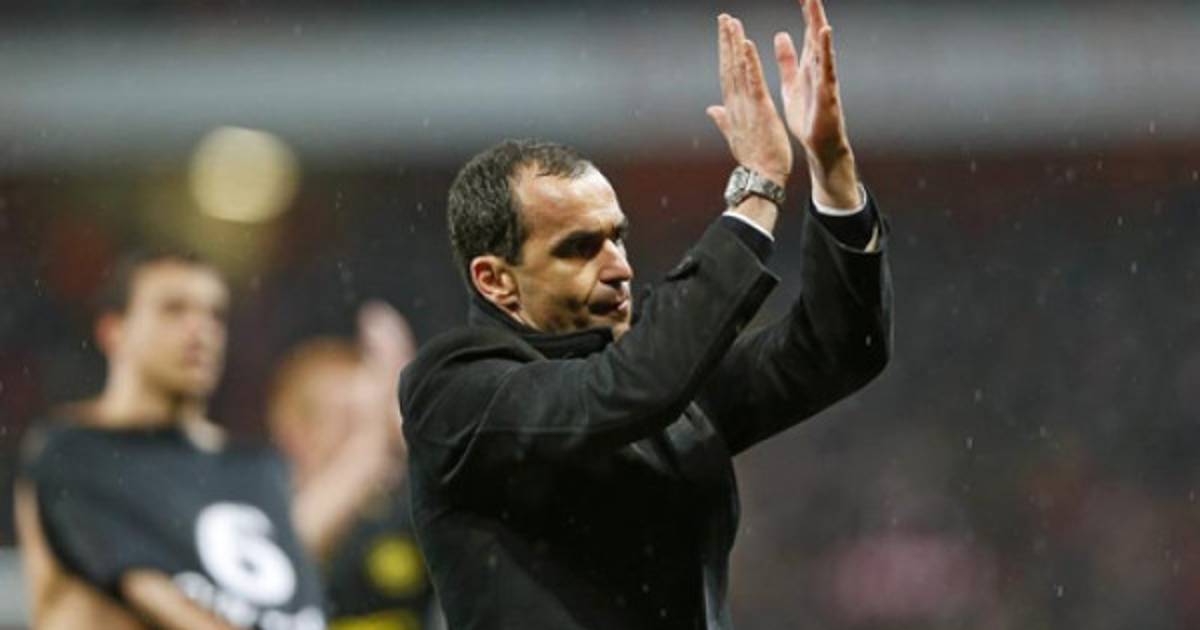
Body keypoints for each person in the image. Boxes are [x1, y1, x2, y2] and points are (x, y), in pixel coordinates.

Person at [399, 1, 892, 628]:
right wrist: (758, 189)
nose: (619, 267)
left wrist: (832, 170)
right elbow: (624, 392)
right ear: (495, 280)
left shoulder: (663, 376)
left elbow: (840, 349)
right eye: (579, 248)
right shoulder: (455, 390)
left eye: (617, 237)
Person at [15, 251, 327, 630]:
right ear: (114, 331)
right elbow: (153, 595)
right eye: (173, 310)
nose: (201, 330)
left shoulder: (255, 466)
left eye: (215, 315)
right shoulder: (76, 451)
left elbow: (295, 597)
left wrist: (371, 442)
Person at [267, 303, 440, 630]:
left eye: (373, 417)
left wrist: (417, 433)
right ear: (295, 430)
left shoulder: (401, 513)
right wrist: (371, 437)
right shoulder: (255, 499)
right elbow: (284, 558)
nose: (372, 438)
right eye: (349, 420)